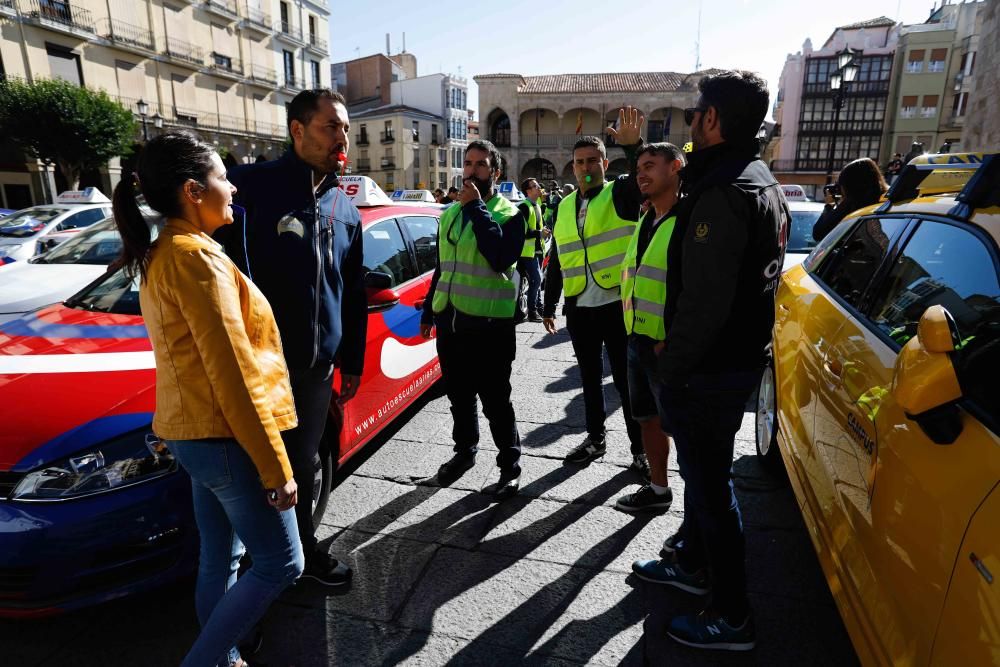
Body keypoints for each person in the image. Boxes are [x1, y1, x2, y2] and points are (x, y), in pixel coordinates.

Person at [114, 131, 303, 667]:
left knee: (221, 556)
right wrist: (276, 467)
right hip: (225, 437)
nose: (233, 188)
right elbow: (234, 374)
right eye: (223, 177)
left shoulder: (166, 253)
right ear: (194, 190)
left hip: (196, 434)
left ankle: (222, 660)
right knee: (281, 563)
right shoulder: (193, 259)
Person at [631, 70, 787, 651]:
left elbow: (705, 302)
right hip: (729, 364)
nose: (690, 119)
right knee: (704, 486)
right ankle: (693, 565)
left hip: (707, 372)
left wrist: (672, 371)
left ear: (713, 119)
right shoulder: (756, 178)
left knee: (711, 491)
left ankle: (732, 615)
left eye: (696, 111)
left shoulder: (725, 191)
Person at [217, 89, 366, 589]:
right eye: (331, 126)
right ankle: (245, 586)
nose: (341, 137)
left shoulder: (344, 208)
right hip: (256, 372)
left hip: (316, 372)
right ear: (297, 131)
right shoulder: (247, 188)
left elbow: (352, 292)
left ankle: (299, 555)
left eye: (344, 128)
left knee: (300, 469)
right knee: (250, 478)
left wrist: (353, 359)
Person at [541, 108, 647, 477]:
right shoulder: (564, 205)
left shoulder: (619, 193)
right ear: (571, 166)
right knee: (588, 378)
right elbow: (558, 255)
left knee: (625, 381)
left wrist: (633, 149)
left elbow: (642, 180)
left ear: (605, 162)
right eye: (578, 162)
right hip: (580, 306)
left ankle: (640, 451)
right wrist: (549, 302)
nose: (585, 167)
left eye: (592, 161)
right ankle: (595, 438)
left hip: (617, 304)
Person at [420, 140, 527, 498]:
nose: (472, 170)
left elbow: (499, 258)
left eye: (481, 164)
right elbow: (443, 266)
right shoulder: (450, 212)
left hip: (490, 329)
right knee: (459, 397)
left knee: (496, 401)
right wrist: (428, 310)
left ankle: (510, 465)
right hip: (450, 324)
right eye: (468, 163)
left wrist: (477, 208)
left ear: (495, 172)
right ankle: (464, 452)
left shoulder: (510, 214)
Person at [614, 143, 685, 514]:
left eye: (650, 166)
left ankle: (699, 516)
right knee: (647, 419)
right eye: (637, 166)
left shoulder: (688, 221)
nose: (641, 173)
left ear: (676, 167)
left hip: (667, 347)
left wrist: (671, 342)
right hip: (637, 339)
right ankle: (658, 488)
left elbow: (696, 291)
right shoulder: (647, 218)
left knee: (684, 430)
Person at [812, 157, 888, 243]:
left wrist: (829, 206)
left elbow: (818, 233)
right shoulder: (886, 204)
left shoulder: (852, 207)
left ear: (850, 186)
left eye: (842, 184)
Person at [516, 177, 545, 322]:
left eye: (537, 184)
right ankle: (532, 311)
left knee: (536, 280)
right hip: (526, 253)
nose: (539, 187)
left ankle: (539, 308)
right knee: (537, 279)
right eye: (535, 186)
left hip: (536, 250)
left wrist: (543, 232)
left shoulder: (537, 205)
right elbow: (521, 232)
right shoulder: (524, 206)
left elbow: (537, 227)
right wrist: (540, 233)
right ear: (528, 191)